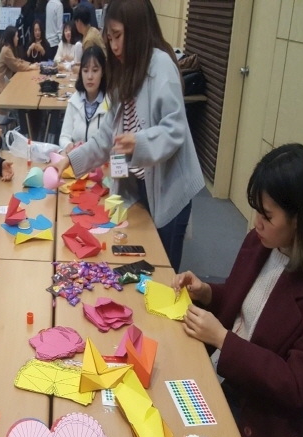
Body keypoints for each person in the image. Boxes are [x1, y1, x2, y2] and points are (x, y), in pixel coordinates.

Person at [173, 144, 303, 437]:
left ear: (300, 219)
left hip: (260, 412)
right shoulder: (261, 242)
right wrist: (206, 292)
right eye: (257, 210)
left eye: (267, 215)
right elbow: (241, 305)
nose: (256, 222)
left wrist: (223, 340)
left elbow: (295, 384)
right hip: (223, 371)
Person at [52, 0, 204, 272]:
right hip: (141, 185)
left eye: (118, 36)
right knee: (142, 259)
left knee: (163, 267)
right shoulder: (124, 72)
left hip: (170, 189)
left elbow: (175, 129)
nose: (113, 46)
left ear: (137, 30)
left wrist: (139, 142)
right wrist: (71, 160)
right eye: (109, 38)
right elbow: (105, 138)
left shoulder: (161, 66)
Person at [59, 45, 108, 150]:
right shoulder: (74, 101)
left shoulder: (110, 103)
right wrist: (68, 146)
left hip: (101, 159)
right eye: (85, 71)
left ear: (103, 72)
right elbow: (64, 136)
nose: (89, 77)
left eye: (95, 70)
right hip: (76, 158)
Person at [0, 26, 37, 103]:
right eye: (16, 36)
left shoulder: (8, 49)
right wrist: (31, 67)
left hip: (5, 81)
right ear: (11, 38)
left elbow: (17, 61)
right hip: (1, 85)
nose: (18, 39)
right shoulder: (6, 51)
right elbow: (17, 66)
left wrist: (30, 64)